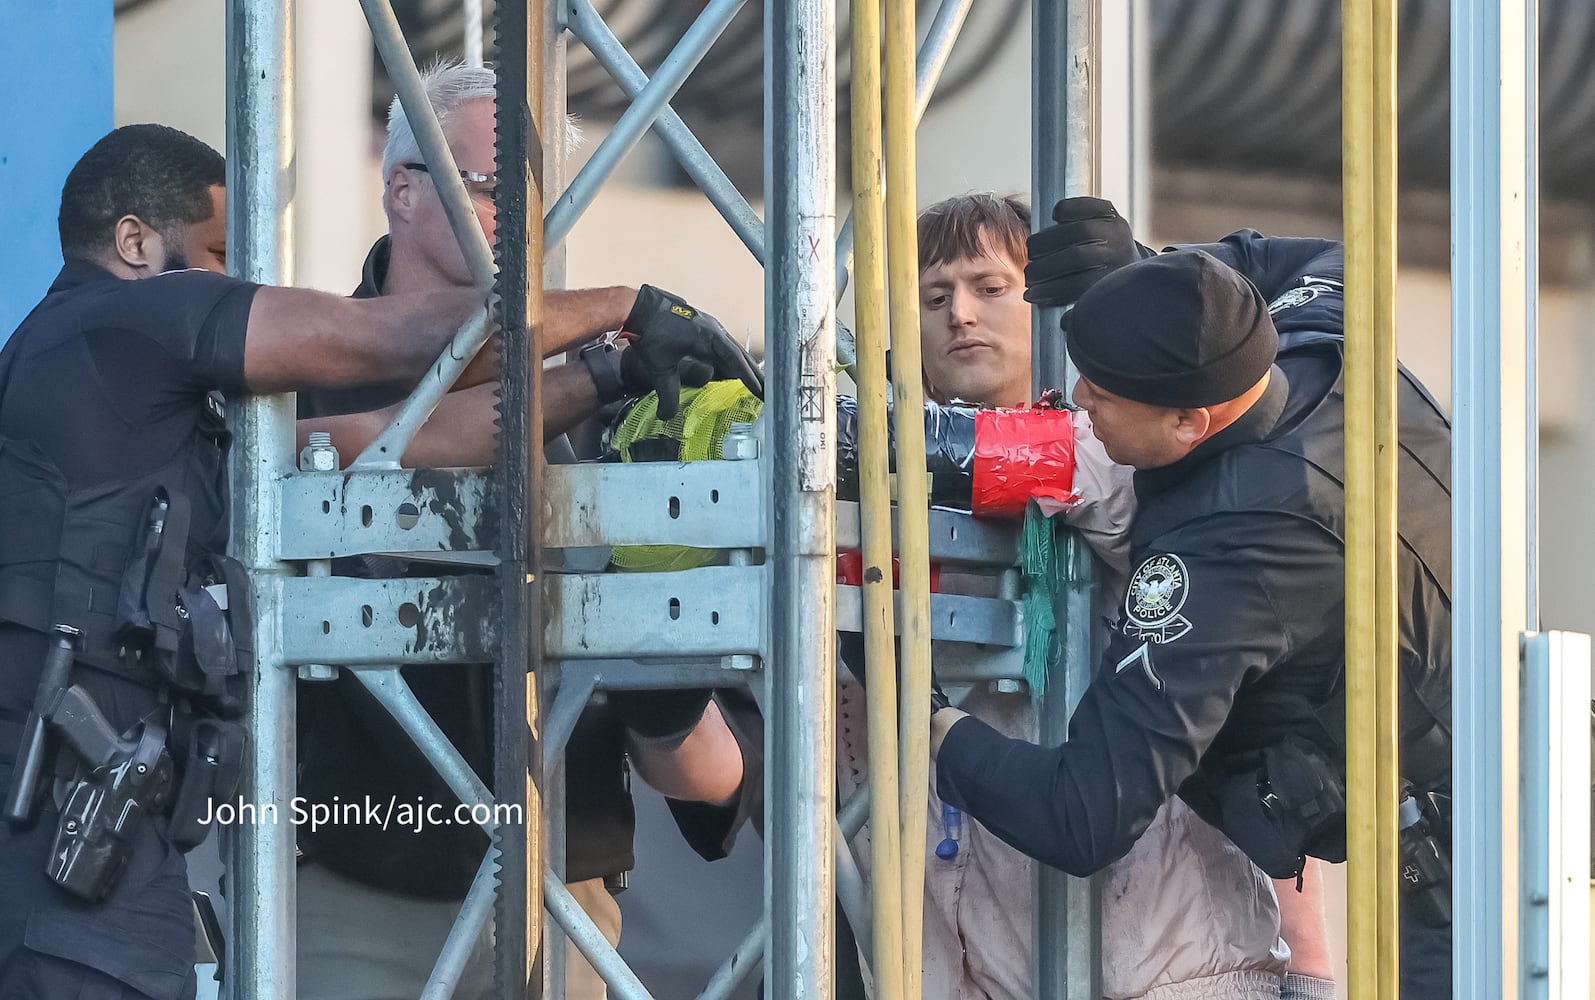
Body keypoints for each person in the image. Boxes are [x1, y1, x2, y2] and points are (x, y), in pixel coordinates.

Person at [291, 61, 761, 1000]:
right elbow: (409, 427)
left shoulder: (622, 391)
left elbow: (692, 733)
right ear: (401, 188)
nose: (515, 213)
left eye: (537, 194)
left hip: (564, 882)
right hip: (356, 878)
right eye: (485, 186)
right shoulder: (302, 367)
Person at [0, 123, 494, 1000]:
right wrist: (625, 309)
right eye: (219, 253)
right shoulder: (115, 322)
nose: (231, 282)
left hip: (93, 857)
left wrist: (597, 379)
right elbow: (406, 340)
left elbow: (387, 436)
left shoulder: (125, 407)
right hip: (69, 868)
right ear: (133, 242)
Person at [933, 197, 1453, 999]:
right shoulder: (1326, 338)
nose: (1075, 402)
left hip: (1457, 891)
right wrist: (1151, 272)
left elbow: (1083, 814)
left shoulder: (1227, 557)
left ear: (1188, 423)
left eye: (1103, 399)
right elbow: (1293, 263)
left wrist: (930, 725)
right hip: (1511, 804)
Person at [839, 193, 1292, 1000]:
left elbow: (1070, 467)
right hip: (963, 963)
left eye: (989, 286)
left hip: (1166, 968)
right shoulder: (870, 513)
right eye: (933, 297)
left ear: (1046, 303)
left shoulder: (1122, 446)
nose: (960, 316)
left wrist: (861, 442)